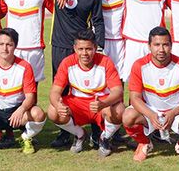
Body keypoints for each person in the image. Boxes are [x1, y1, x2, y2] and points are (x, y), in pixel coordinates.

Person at [45, 0, 105, 148]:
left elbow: (97, 21)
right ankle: (65, 132)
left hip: (83, 49)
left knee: (89, 88)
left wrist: (100, 47)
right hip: (60, 47)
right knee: (61, 89)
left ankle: (97, 131)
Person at [123, 26, 179, 164]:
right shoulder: (139, 65)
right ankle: (144, 143)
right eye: (157, 45)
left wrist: (173, 113)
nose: (161, 49)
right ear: (149, 46)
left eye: (165, 44)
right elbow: (134, 98)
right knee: (127, 116)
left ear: (171, 46)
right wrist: (151, 114)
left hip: (176, 111)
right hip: (151, 110)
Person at [48, 29, 125, 157]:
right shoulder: (67, 62)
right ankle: (80, 134)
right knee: (53, 111)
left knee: (120, 110)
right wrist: (58, 105)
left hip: (101, 102)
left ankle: (104, 138)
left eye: (88, 49)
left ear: (95, 48)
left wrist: (103, 103)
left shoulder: (105, 62)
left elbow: (118, 91)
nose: (84, 53)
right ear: (75, 48)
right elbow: (55, 91)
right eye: (80, 49)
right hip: (77, 103)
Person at [3, 0, 54, 83]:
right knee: (12, 86)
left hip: (34, 48)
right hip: (12, 48)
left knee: (32, 87)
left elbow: (58, 12)